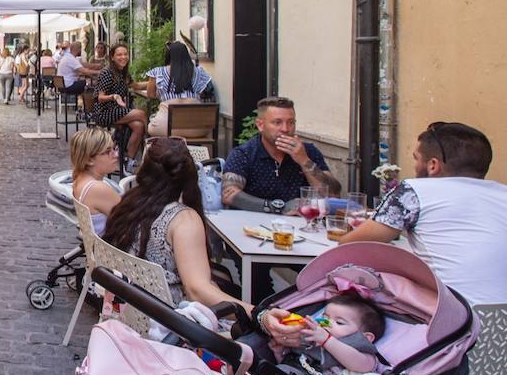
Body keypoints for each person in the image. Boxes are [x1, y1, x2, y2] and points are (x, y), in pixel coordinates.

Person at [338, 122, 507, 305]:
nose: (414, 165)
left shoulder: (413, 191)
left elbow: (350, 246)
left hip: (464, 329)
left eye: (416, 159)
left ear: (433, 165)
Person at [103, 138, 246, 311]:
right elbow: (197, 291)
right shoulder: (184, 220)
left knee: (224, 278)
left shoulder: (128, 204)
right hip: (172, 321)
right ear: (191, 175)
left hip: (129, 309)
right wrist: (257, 315)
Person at [248, 295, 386, 375]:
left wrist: (327, 340)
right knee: (277, 370)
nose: (326, 323)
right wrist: (279, 353)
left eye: (339, 322)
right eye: (325, 317)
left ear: (366, 337)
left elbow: (360, 364)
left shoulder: (363, 352)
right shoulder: (316, 344)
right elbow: (300, 364)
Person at [222, 96, 340, 212]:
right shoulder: (244, 153)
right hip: (254, 224)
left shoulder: (308, 152)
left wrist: (304, 161)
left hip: (300, 225)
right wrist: (278, 207)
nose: (285, 129)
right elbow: (229, 195)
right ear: (260, 125)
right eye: (277, 122)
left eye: (291, 122)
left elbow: (333, 195)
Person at [132, 41, 217, 137]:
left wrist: (163, 92)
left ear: (168, 56)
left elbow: (150, 95)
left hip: (165, 127)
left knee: (151, 125)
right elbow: (203, 93)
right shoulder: (199, 72)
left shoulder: (158, 72)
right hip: (197, 128)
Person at [91, 45, 149, 166]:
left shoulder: (123, 73)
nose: (123, 57)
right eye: (119, 55)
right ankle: (149, 144)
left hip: (116, 110)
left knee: (138, 126)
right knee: (142, 114)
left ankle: (129, 160)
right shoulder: (107, 73)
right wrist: (113, 96)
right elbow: (100, 98)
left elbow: (137, 86)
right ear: (112, 57)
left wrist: (155, 81)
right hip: (104, 112)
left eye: (125, 54)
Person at [69, 127, 121, 234]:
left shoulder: (80, 178)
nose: (116, 155)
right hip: (111, 249)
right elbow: (132, 221)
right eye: (108, 152)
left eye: (114, 149)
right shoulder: (97, 188)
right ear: (89, 160)